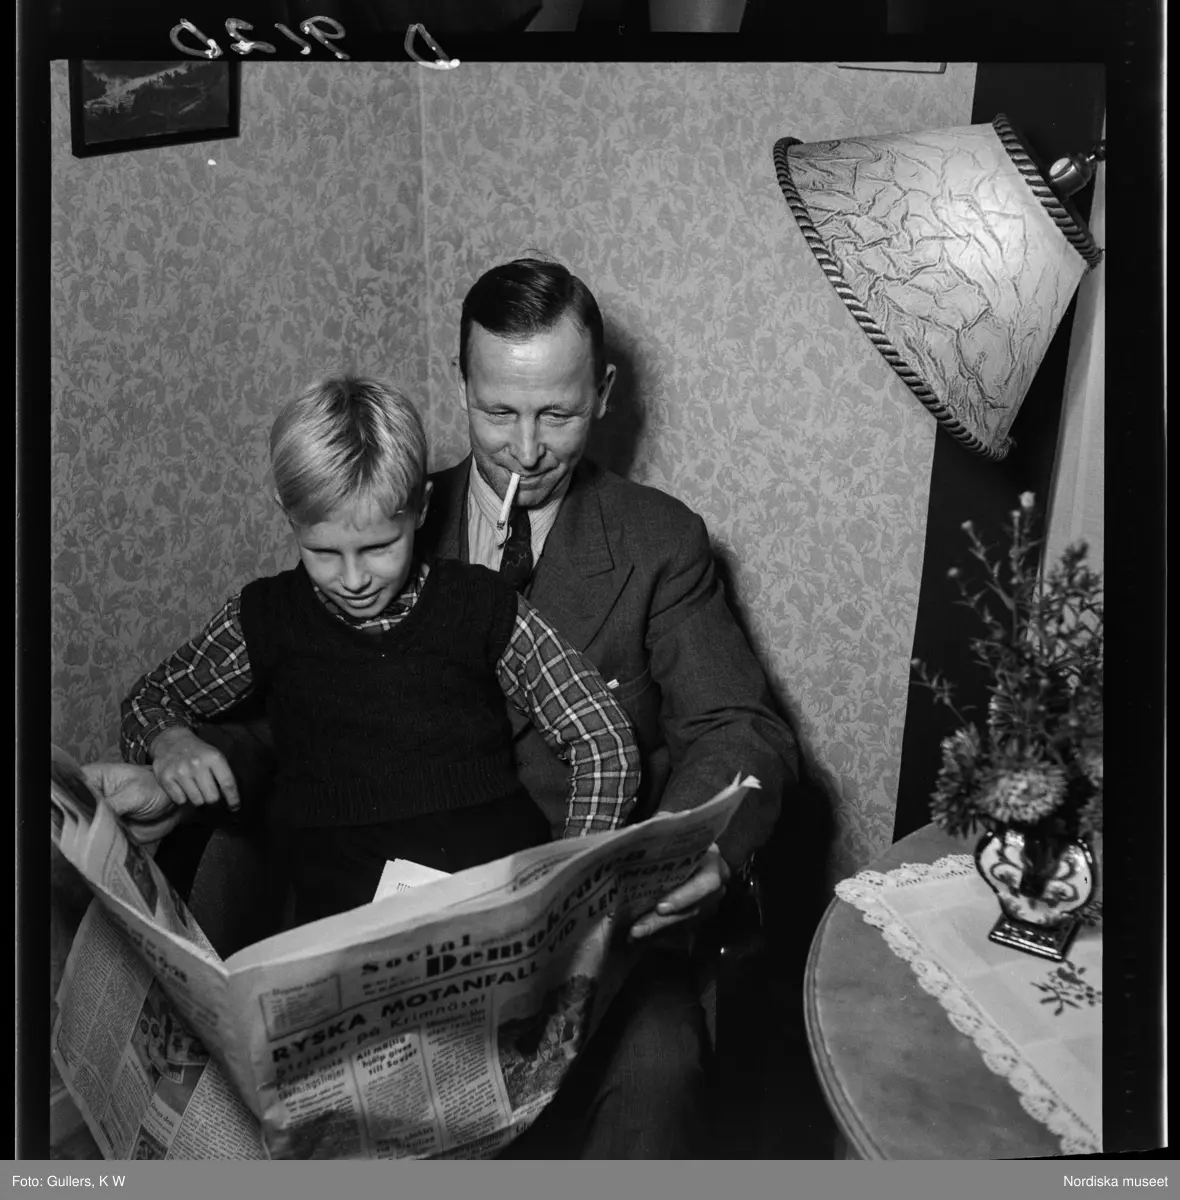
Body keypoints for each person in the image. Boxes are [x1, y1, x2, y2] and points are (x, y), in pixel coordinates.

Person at [111, 258, 799, 1156]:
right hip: (383, 922)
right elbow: (303, 709)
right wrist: (193, 763)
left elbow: (738, 729)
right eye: (498, 412)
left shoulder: (660, 540)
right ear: (460, 385)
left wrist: (697, 848)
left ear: (603, 392)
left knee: (659, 1065)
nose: (526, 449)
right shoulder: (383, 510)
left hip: (589, 932)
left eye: (557, 414)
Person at [118, 375, 640, 924]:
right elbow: (148, 700)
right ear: (287, 514)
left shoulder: (479, 605)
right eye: (323, 552)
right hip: (345, 928)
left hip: (499, 906)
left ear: (421, 507)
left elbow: (603, 738)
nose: (353, 579)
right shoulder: (265, 618)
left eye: (379, 547)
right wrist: (168, 739)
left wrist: (571, 887)